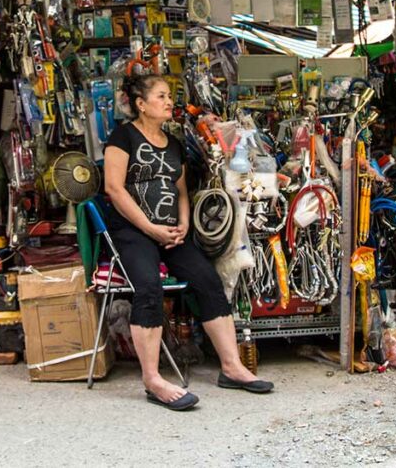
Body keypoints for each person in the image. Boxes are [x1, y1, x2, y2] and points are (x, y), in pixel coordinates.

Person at [102, 73, 273, 411]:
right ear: (141, 104)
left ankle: (232, 367)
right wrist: (149, 227)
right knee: (148, 288)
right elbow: (114, 189)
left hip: (171, 232)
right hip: (133, 232)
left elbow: (182, 192)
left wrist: (182, 224)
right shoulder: (122, 137)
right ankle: (152, 379)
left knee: (208, 281)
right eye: (162, 96)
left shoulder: (175, 143)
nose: (170, 102)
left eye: (170, 96)